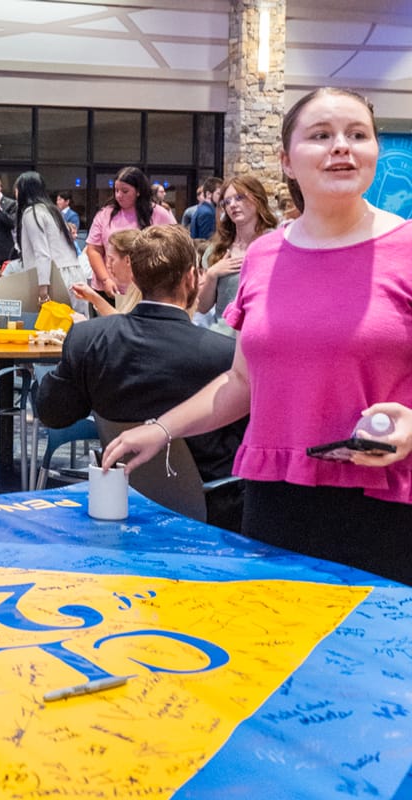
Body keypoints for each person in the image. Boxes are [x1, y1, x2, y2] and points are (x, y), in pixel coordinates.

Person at [103, 87, 412, 584]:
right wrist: (161, 429)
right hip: (274, 496)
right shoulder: (264, 256)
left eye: (358, 134)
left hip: (386, 498)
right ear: (287, 160)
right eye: (321, 135)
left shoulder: (407, 247)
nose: (341, 146)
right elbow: (242, 383)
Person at [38, 225, 246, 531]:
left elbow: (51, 413)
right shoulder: (225, 356)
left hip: (119, 502)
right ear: (191, 277)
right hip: (212, 515)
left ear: (133, 276)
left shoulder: (88, 338)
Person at [84, 166, 175, 303]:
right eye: (116, 190)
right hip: (109, 287)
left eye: (125, 191)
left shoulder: (159, 213)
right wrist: (105, 279)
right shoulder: (105, 214)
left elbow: (175, 247)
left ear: (138, 191)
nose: (119, 195)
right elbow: (94, 250)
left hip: (146, 290)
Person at [195, 175, 277, 323]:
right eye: (227, 202)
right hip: (224, 335)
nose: (232, 205)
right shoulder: (217, 249)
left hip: (264, 330)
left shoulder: (276, 244)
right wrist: (212, 275)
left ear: (257, 199)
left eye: (240, 198)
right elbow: (202, 307)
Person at [15, 171, 86, 312]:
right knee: (77, 325)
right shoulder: (52, 210)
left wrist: (43, 292)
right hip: (75, 274)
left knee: (53, 330)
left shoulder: (32, 213)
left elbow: (42, 253)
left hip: (54, 277)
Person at [71, 228, 140, 317]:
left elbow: (126, 324)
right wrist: (92, 297)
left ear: (127, 260)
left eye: (112, 259)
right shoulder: (134, 287)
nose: (108, 265)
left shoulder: (143, 290)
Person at [187, 176, 222, 240]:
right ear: (208, 194)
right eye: (219, 194)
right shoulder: (207, 213)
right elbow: (206, 241)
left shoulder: (202, 209)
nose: (221, 197)